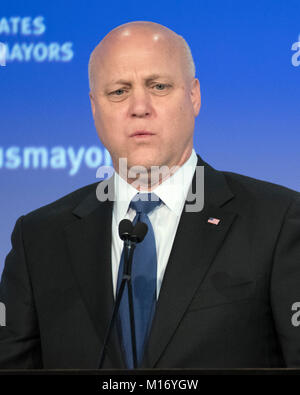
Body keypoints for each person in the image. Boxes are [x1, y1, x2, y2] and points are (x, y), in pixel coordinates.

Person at [0, 20, 300, 369]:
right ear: (95, 108)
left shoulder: (279, 221)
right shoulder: (38, 238)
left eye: (158, 86)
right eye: (119, 91)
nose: (139, 107)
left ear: (194, 96)